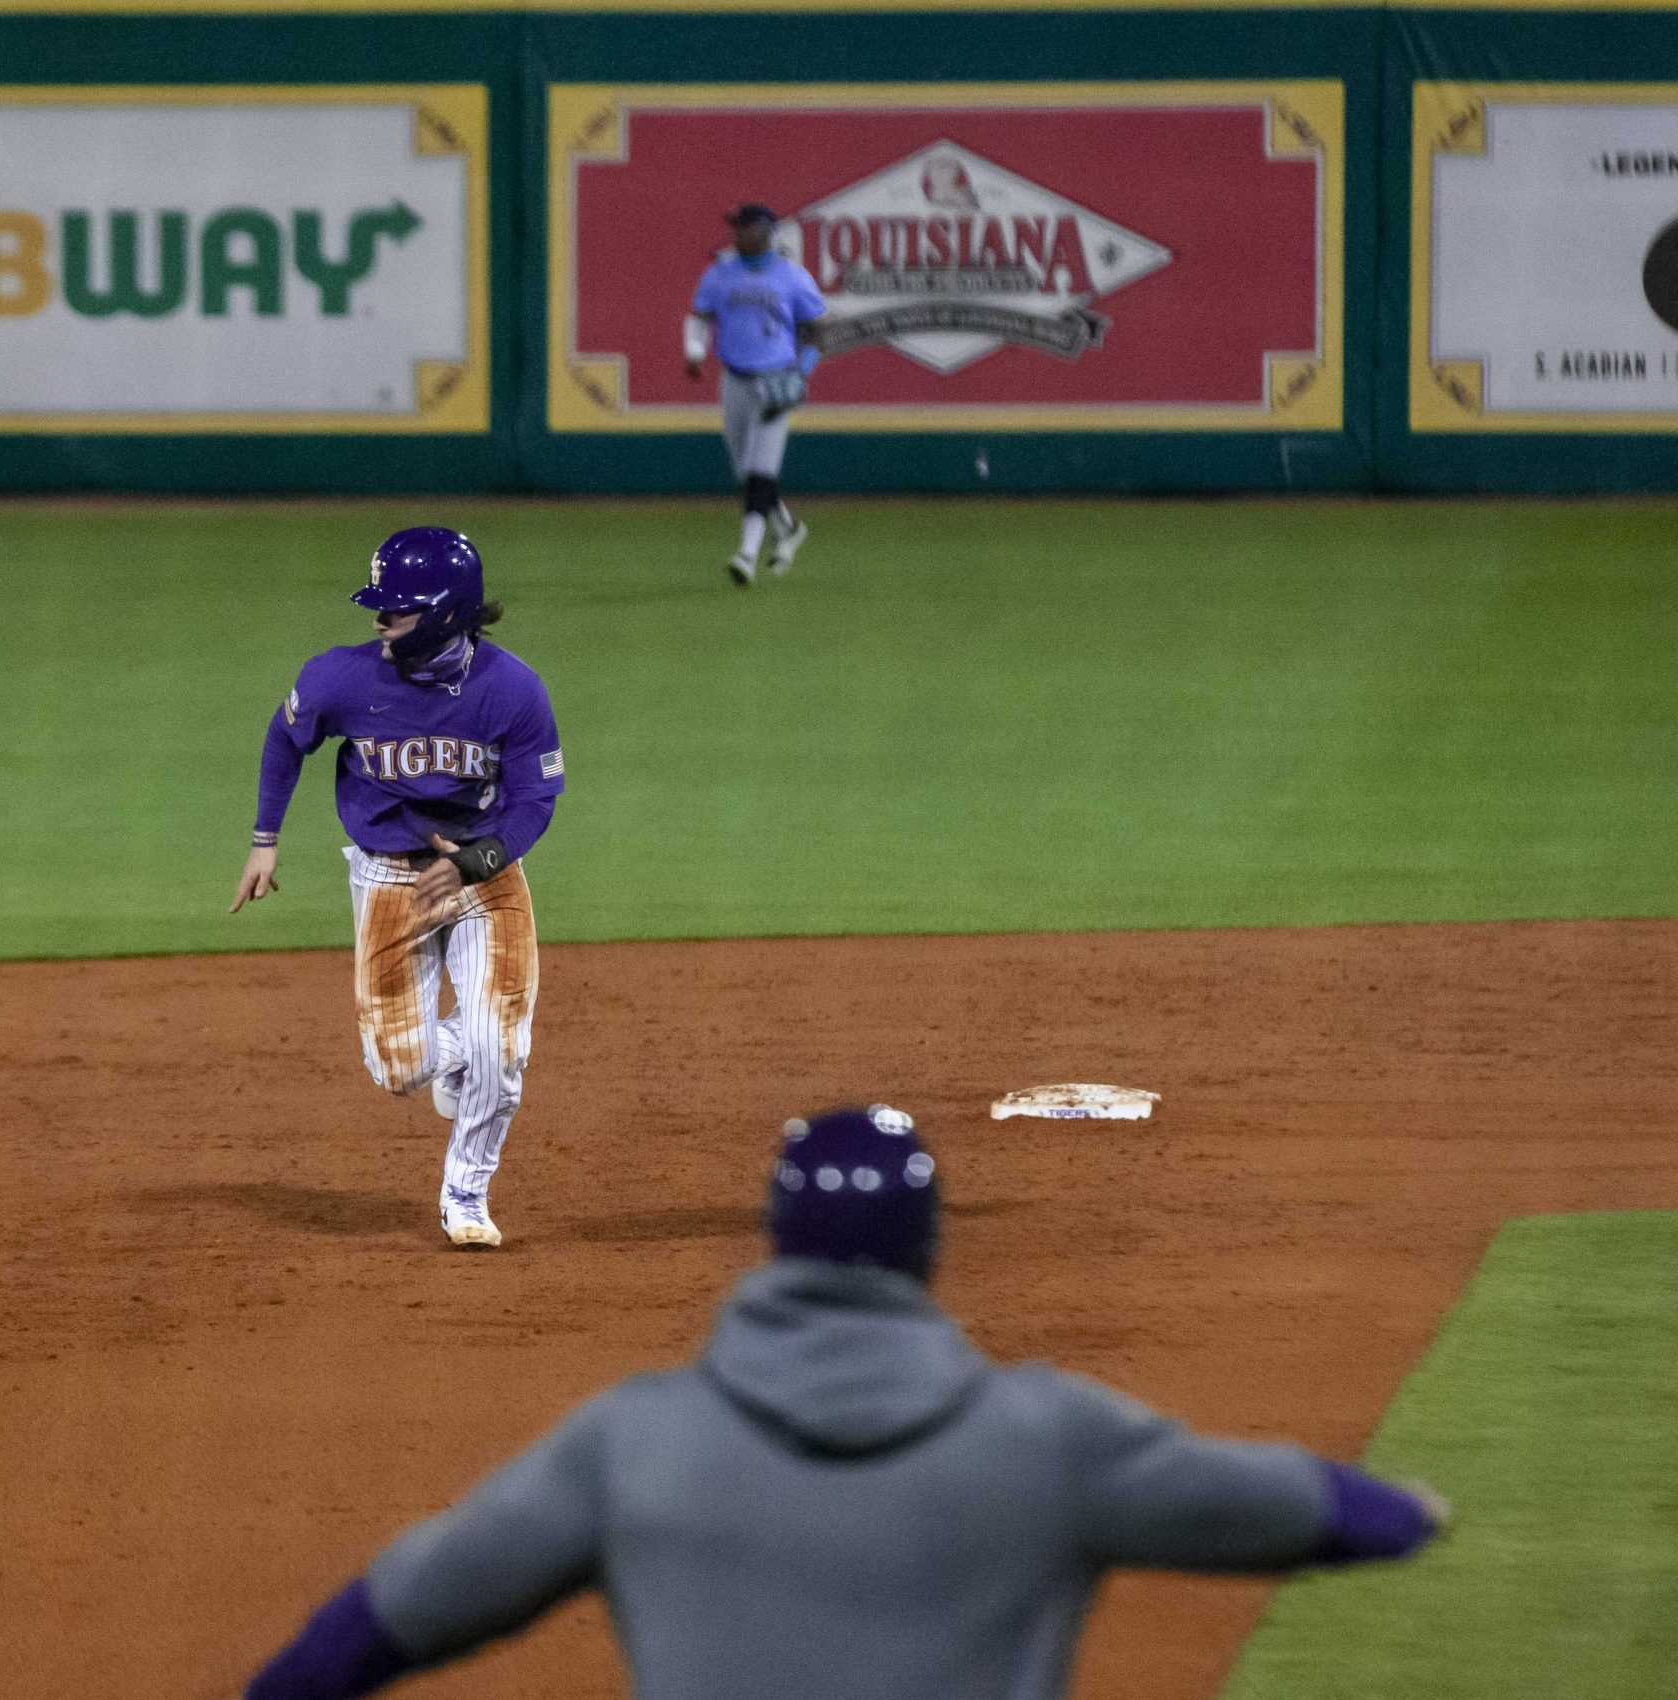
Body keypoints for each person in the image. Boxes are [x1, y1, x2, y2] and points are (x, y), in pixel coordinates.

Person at [239, 1103, 1448, 1700]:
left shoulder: (634, 1440)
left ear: (773, 1243)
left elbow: (388, 1616)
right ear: (926, 1247)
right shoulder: (1050, 1437)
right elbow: (1309, 1509)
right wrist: (1413, 1510)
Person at [229, 526, 566, 1249]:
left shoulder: (513, 689)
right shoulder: (341, 677)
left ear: (445, 613)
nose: (380, 619)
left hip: (487, 874)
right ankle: (460, 1058)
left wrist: (485, 855)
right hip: (388, 876)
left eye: (398, 608)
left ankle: (466, 1193)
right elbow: (285, 739)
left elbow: (536, 797)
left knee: (501, 1047)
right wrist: (264, 840)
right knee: (398, 1068)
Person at [685, 202, 828, 587]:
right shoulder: (721, 273)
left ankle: (746, 554)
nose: (738, 233)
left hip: (776, 379)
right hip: (734, 380)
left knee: (760, 473)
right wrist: (695, 351)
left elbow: (817, 328)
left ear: (765, 230)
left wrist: (803, 371)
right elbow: (700, 315)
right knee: (745, 475)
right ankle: (788, 529)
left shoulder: (791, 276)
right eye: (737, 227)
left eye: (746, 227)